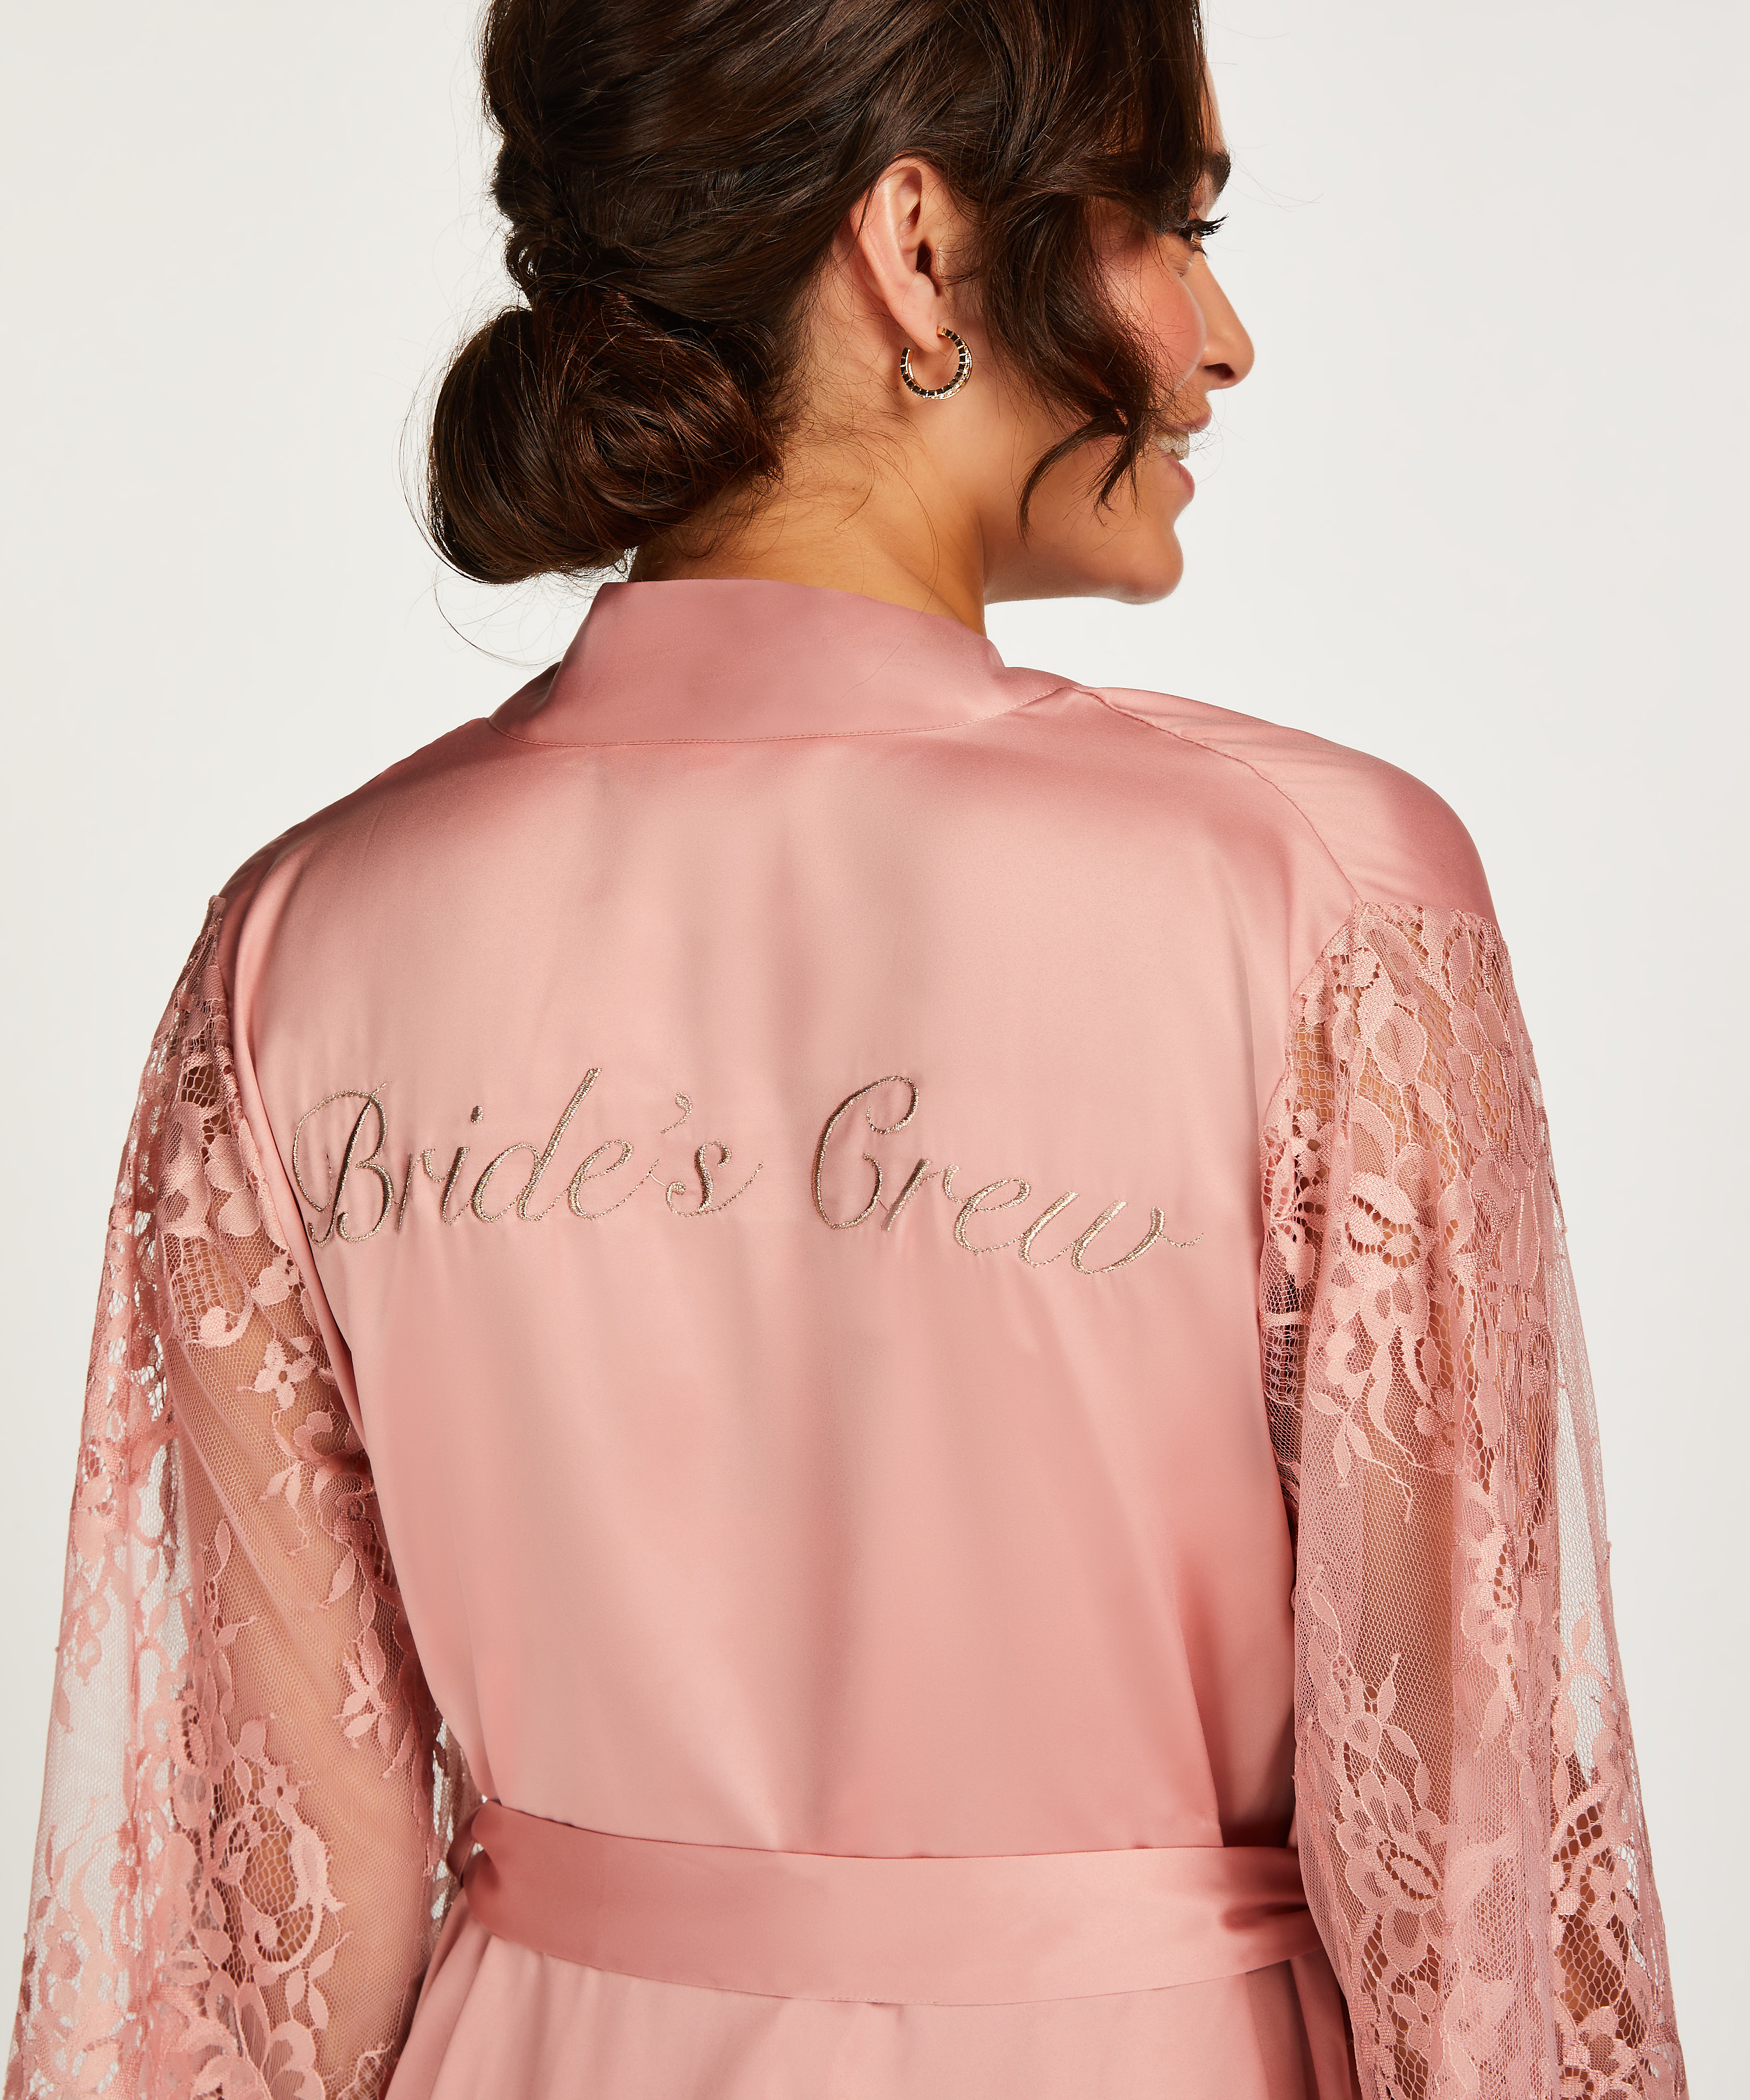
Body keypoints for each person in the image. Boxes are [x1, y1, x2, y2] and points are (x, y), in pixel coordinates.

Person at [7, 1, 1684, 2094]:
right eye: (1171, 226)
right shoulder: (1326, 902)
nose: (1221, 338)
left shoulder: (298, 947)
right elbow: (1478, 1897)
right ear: (917, 245)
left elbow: (239, 1965)